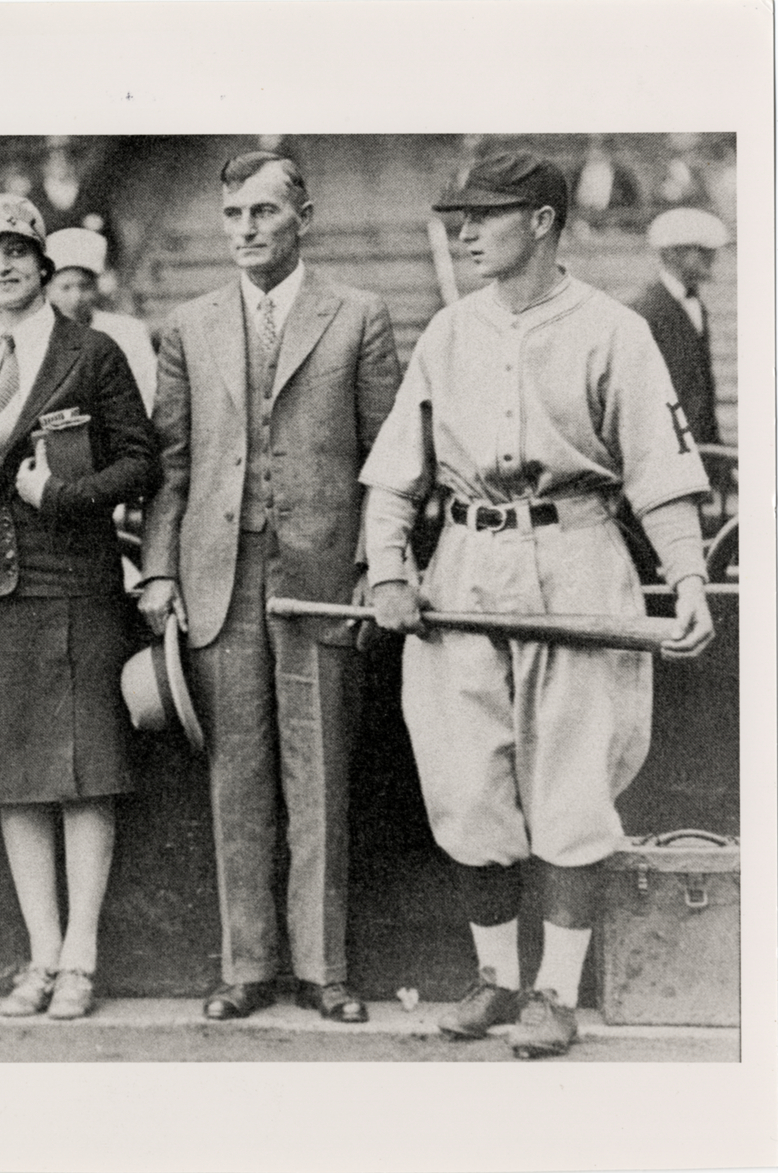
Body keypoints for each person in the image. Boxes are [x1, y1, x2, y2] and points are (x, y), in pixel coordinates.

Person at [361, 152, 715, 1059]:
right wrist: (393, 568)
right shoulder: (448, 331)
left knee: (570, 776)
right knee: (468, 776)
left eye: (487, 215)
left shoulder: (613, 330)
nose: (466, 232)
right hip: (468, 562)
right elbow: (395, 477)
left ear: (546, 221)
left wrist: (685, 581)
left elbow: (662, 473)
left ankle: (554, 992)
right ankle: (497, 978)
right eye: (460, 218)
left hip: (576, 553)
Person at [139, 151, 401, 1024]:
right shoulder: (188, 325)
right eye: (232, 216)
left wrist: (375, 562)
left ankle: (325, 968)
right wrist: (161, 568)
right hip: (219, 578)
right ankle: (246, 965)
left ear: (305, 217)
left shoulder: (359, 316)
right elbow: (172, 468)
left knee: (319, 775)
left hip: (323, 577)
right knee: (235, 779)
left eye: (263, 213)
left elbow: (385, 463)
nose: (245, 230)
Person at [0, 193, 159, 1020]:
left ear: (44, 264)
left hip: (73, 588)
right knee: (14, 783)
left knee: (82, 778)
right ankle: (38, 954)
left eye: (17, 252)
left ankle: (81, 958)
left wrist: (65, 495)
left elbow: (141, 463)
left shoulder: (92, 352)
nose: (3, 267)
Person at [628, 206, 731, 449]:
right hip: (666, 449)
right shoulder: (645, 311)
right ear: (672, 254)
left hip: (699, 448)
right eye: (702, 251)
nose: (712, 258)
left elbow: (701, 389)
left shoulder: (696, 306)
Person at [43, 227, 158, 413]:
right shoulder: (39, 334)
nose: (77, 297)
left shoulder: (128, 330)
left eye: (84, 286)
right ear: (48, 290)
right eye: (65, 287)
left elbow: (148, 389)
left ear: (96, 288)